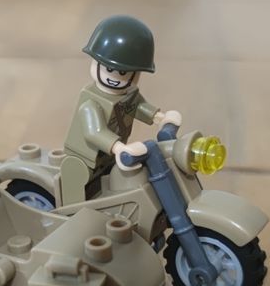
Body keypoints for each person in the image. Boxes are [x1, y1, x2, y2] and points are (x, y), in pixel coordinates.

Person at [61, 15, 182, 204]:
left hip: (110, 156)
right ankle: (72, 214)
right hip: (84, 158)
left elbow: (138, 106)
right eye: (109, 69)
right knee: (76, 178)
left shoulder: (129, 94)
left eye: (124, 72)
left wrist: (160, 117)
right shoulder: (91, 102)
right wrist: (120, 148)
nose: (115, 77)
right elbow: (95, 132)